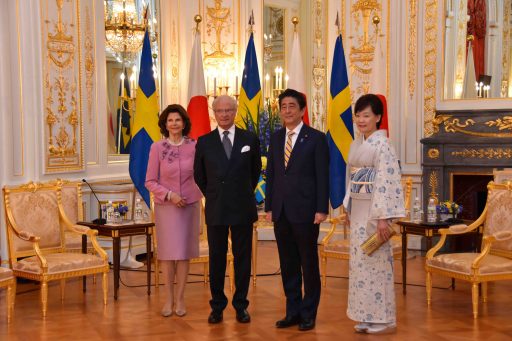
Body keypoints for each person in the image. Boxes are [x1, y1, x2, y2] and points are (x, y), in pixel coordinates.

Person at [265, 88, 329, 331]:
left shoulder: (316, 138)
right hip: (280, 211)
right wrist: (269, 206)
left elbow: (322, 176)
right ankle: (292, 311)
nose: (287, 110)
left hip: (306, 211)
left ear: (302, 110)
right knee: (288, 263)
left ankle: (308, 313)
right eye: (284, 107)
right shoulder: (276, 137)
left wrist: (322, 208)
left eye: (292, 106)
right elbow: (271, 174)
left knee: (308, 263)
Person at [193, 95, 262, 324]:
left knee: (243, 258)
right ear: (214, 113)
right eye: (220, 110)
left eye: (228, 110)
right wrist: (214, 193)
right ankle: (217, 306)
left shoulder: (249, 138)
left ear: (235, 111)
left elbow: (255, 173)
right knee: (217, 258)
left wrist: (240, 190)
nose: (224, 114)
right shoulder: (204, 141)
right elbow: (199, 176)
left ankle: (241, 305)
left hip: (242, 206)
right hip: (217, 206)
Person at [343, 94, 405, 334]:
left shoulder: (383, 145)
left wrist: (383, 218)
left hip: (374, 211)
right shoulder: (357, 144)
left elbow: (387, 181)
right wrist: (348, 206)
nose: (361, 120)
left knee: (376, 262)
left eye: (366, 115)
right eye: (358, 115)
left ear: (378, 117)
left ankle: (383, 318)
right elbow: (353, 179)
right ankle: (365, 314)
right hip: (358, 207)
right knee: (360, 264)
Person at [145, 104, 203, 318]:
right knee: (168, 255)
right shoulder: (156, 148)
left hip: (189, 205)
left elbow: (202, 175)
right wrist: (170, 195)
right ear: (165, 124)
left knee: (184, 254)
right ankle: (168, 299)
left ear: (184, 123)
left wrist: (194, 193)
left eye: (178, 120)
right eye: (170, 120)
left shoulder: (195, 146)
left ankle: (180, 298)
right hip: (167, 207)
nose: (174, 123)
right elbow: (149, 181)